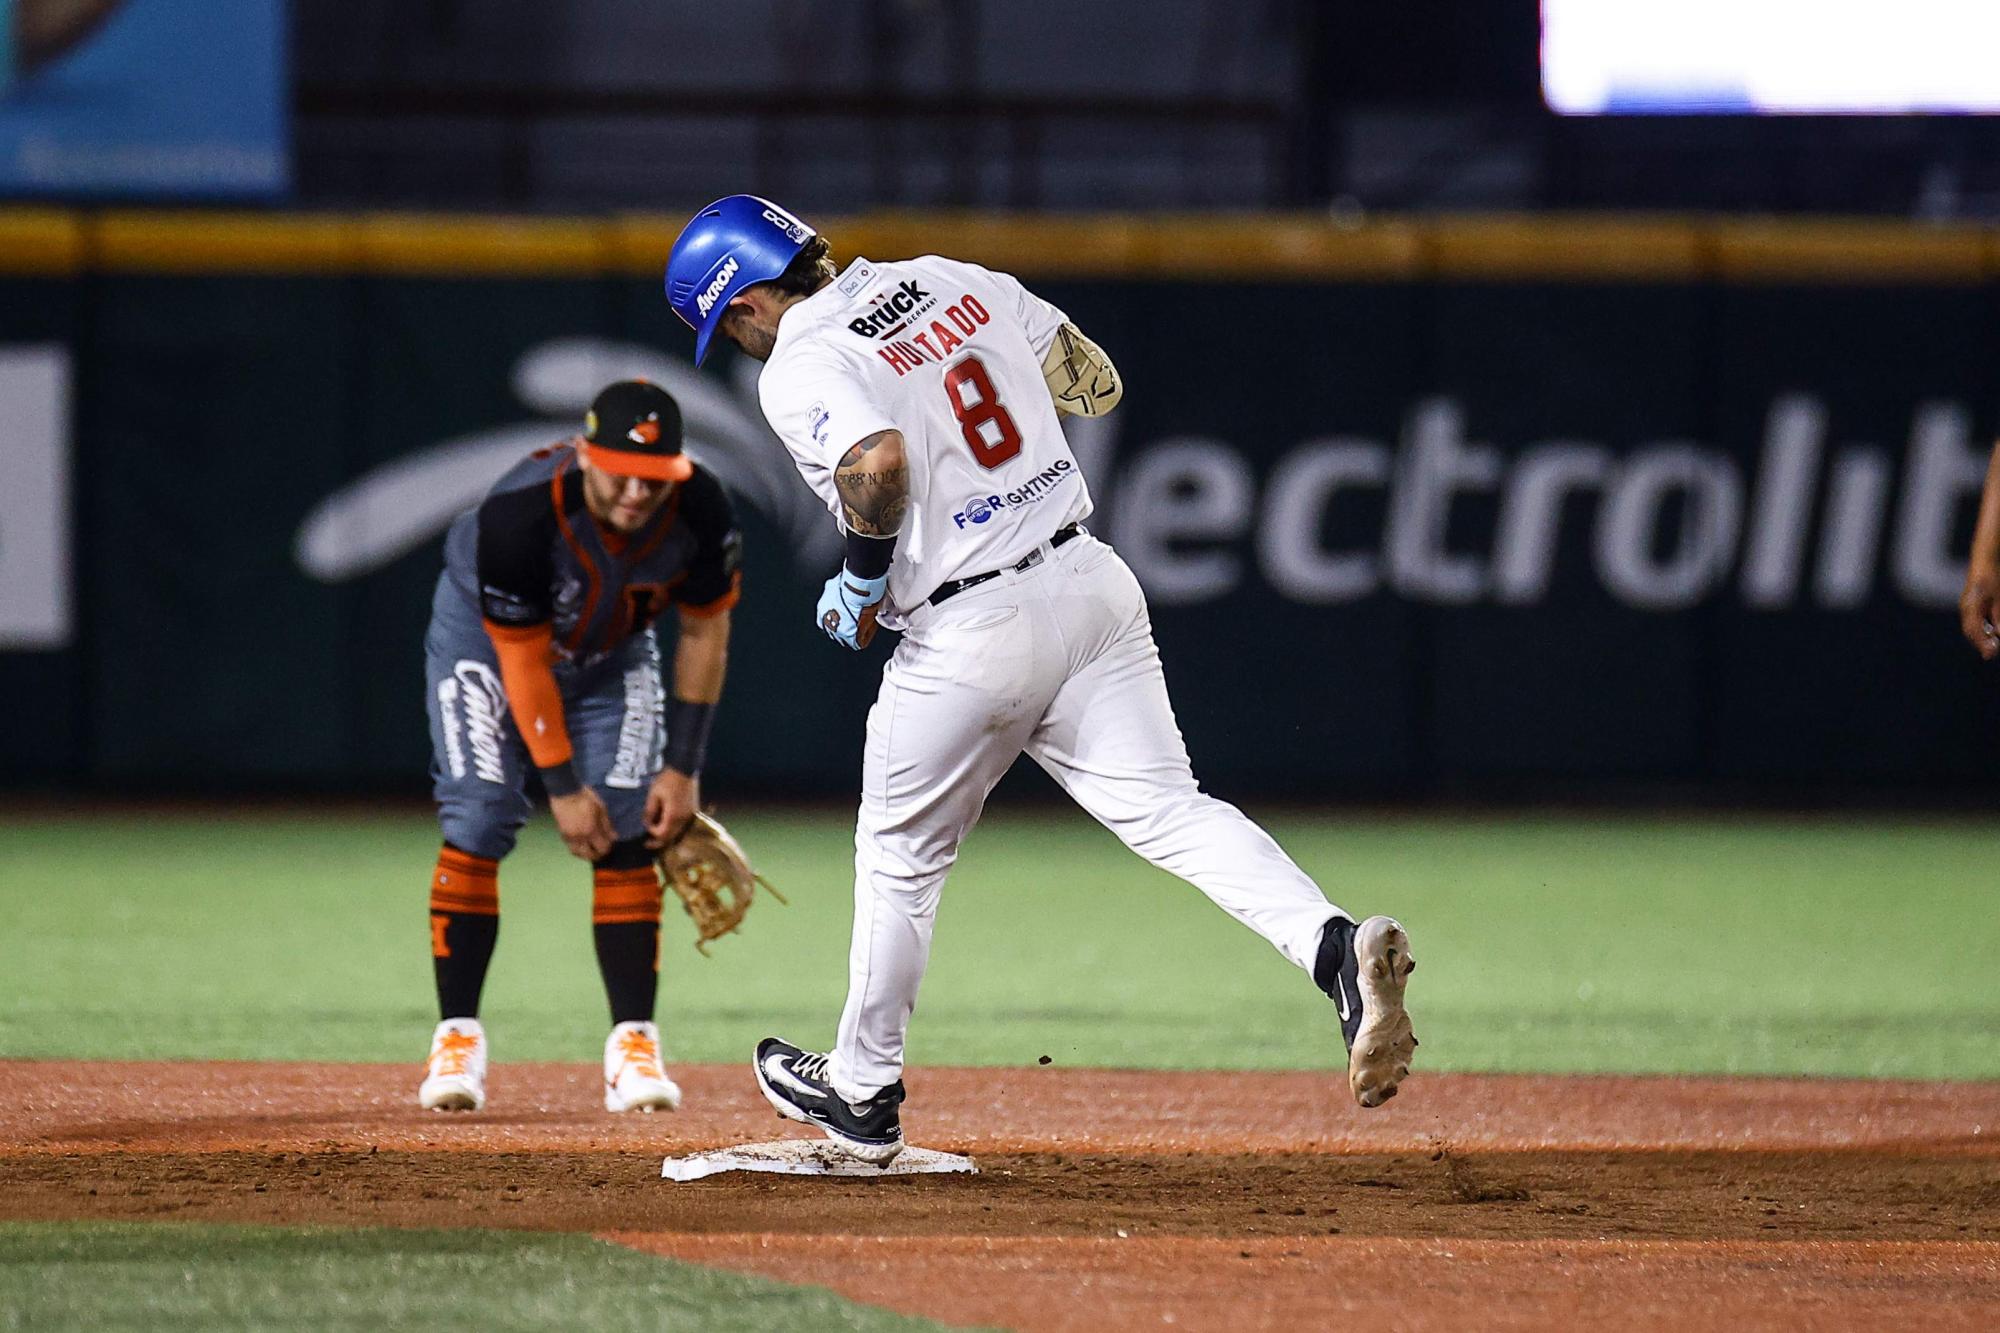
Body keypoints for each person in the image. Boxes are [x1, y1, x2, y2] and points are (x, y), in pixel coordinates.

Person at [663, 197, 1415, 1164]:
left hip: (970, 624)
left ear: (746, 297)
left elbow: (877, 459)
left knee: (901, 857)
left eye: (730, 318)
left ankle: (860, 1086)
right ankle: (1334, 951)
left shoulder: (804, 358)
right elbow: (1088, 376)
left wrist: (859, 576)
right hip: (1088, 579)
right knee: (1172, 811)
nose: (741, 336)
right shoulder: (950, 276)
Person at [416, 380, 742, 1114]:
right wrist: (561, 787)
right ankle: (457, 1036)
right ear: (583, 455)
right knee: (480, 812)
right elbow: (526, 662)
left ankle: (633, 1044)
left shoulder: (701, 507)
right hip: (488, 642)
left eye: (653, 476)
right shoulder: (519, 515)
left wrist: (683, 767)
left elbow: (704, 630)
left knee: (633, 820)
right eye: (618, 471)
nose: (634, 490)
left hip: (612, 651)